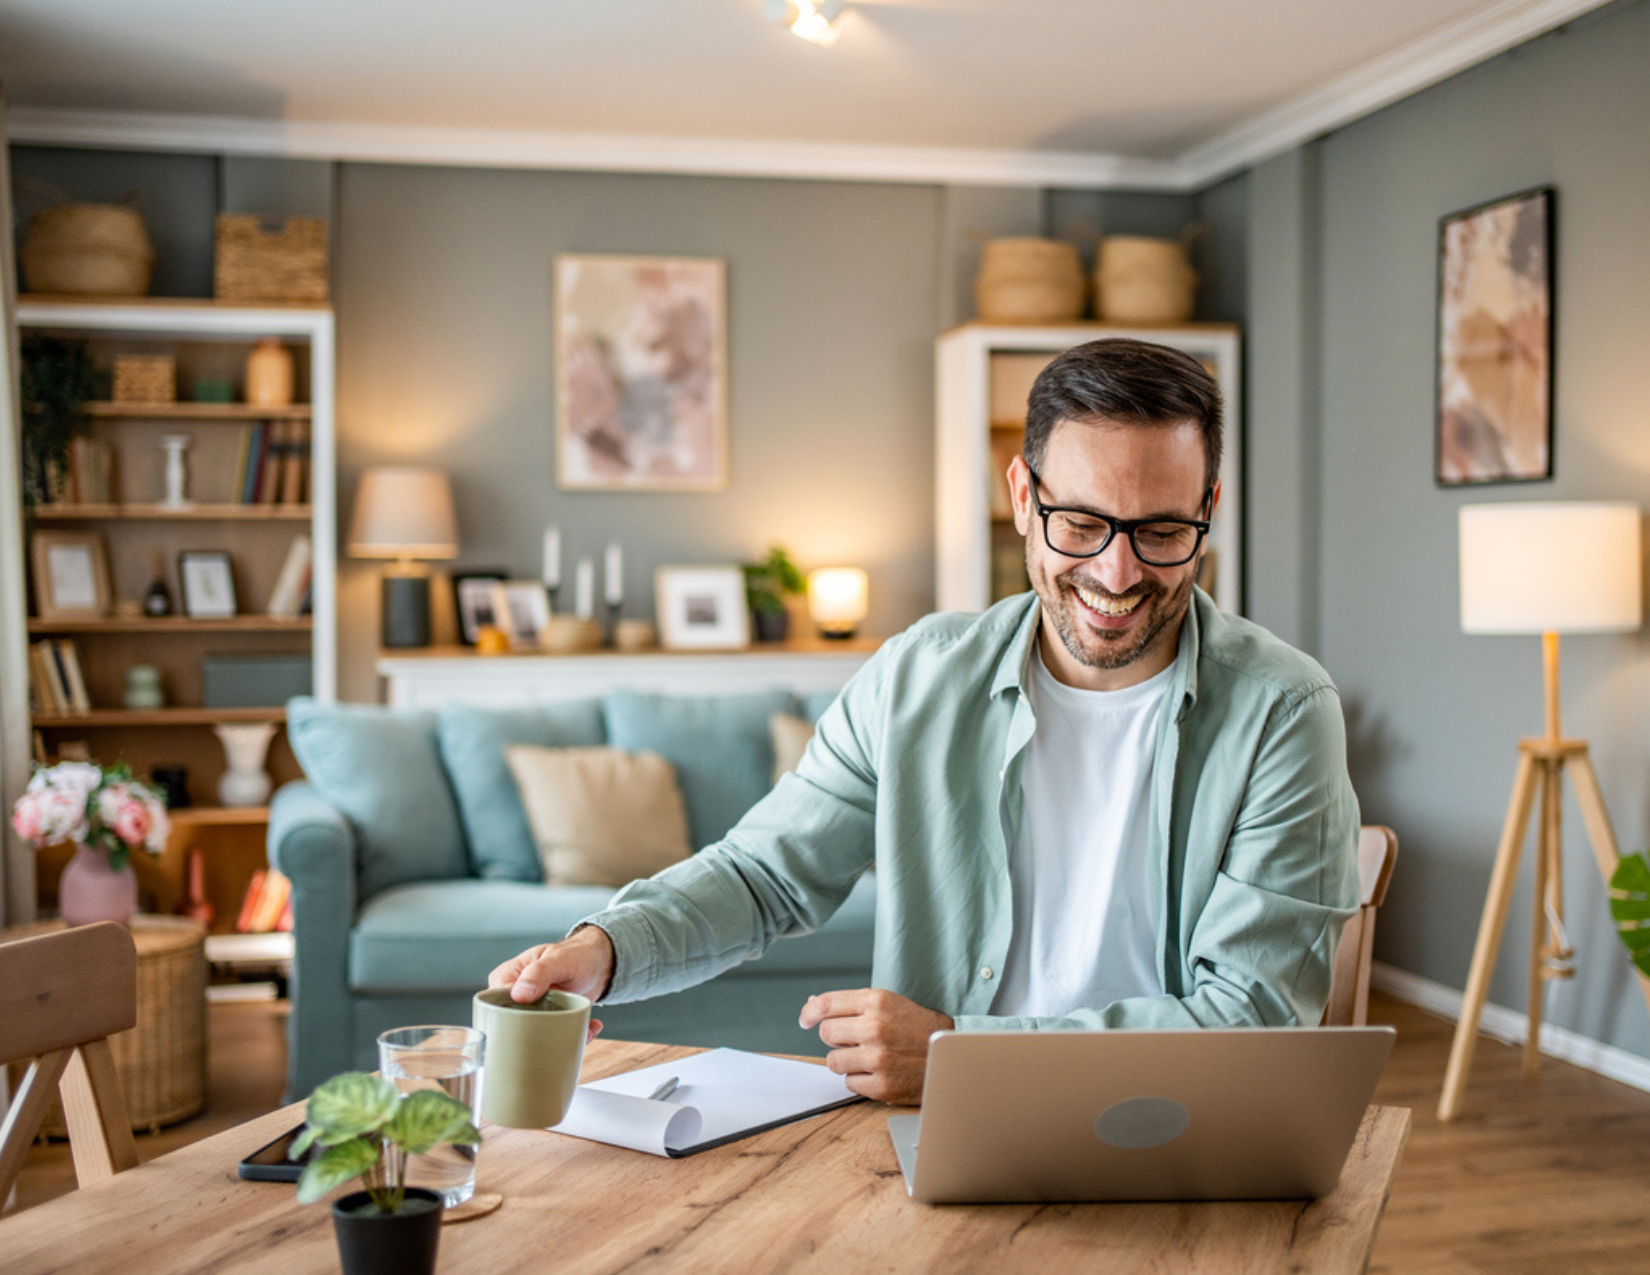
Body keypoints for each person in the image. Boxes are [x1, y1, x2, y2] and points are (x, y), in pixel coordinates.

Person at [490, 338, 1360, 1105]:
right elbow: (766, 874)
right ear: (1023, 495)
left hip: (1168, 1129)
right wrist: (606, 947)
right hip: (936, 1135)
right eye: (1083, 523)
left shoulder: (1285, 711)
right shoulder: (916, 676)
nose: (1119, 571)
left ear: (1208, 508)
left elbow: (1250, 1017)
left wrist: (957, 1052)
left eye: (1162, 530)